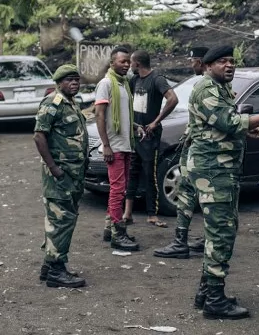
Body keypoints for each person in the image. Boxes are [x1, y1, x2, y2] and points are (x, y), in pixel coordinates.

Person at [186, 45, 259, 320]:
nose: (229, 66)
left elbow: (223, 125)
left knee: (221, 232)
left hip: (222, 171)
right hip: (213, 172)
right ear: (209, 65)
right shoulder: (206, 89)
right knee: (221, 234)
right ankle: (215, 301)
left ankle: (206, 293)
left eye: (232, 61)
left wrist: (249, 129)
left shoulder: (220, 88)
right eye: (223, 62)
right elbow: (229, 122)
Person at [34, 65, 89, 288]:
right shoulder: (52, 103)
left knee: (62, 218)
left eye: (77, 80)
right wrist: (54, 168)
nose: (74, 83)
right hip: (60, 174)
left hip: (74, 173)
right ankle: (57, 271)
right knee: (62, 220)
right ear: (59, 82)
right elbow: (39, 137)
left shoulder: (73, 104)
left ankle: (49, 266)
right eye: (69, 80)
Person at [154, 46, 209, 261]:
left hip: (201, 153)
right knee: (199, 196)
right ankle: (203, 239)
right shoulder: (208, 84)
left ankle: (181, 242)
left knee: (189, 195)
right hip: (197, 150)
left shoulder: (206, 85)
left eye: (193, 60)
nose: (190, 64)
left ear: (201, 61)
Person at [124, 51, 178, 228]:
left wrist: (156, 122)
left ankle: (151, 215)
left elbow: (173, 99)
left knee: (150, 174)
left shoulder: (157, 79)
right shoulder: (134, 80)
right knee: (132, 173)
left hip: (150, 136)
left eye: (131, 62)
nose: (129, 66)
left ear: (137, 64)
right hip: (135, 134)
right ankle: (127, 213)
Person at [94, 46, 139, 251]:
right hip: (114, 145)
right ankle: (117, 233)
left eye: (128, 61)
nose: (127, 64)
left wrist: (135, 127)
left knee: (120, 188)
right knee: (118, 190)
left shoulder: (124, 84)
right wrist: (106, 145)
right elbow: (100, 115)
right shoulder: (105, 83)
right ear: (112, 63)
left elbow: (123, 114)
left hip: (126, 143)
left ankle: (108, 228)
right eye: (122, 61)